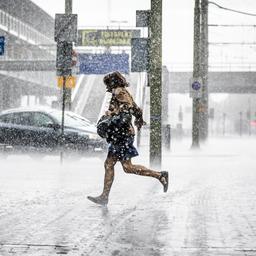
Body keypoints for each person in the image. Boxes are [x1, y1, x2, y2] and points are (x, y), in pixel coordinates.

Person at [87, 71, 169, 206]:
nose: (106, 87)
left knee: (126, 167)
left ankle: (160, 175)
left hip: (122, 135)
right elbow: (136, 109)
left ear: (112, 82)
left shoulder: (119, 93)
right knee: (113, 165)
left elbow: (125, 115)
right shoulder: (123, 92)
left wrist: (110, 117)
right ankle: (104, 196)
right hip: (122, 135)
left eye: (107, 84)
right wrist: (139, 120)